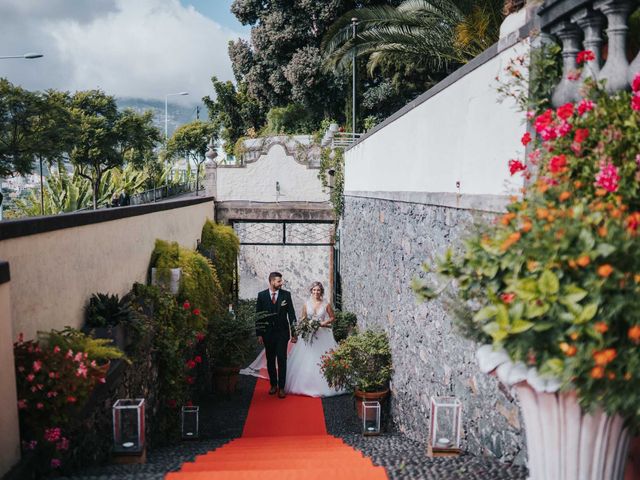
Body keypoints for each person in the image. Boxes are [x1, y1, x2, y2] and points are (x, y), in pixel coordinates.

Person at [285, 281, 346, 397]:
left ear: (321, 291)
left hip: (323, 334)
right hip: (309, 334)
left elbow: (332, 317)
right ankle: (306, 384)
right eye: (314, 290)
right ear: (311, 291)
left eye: (318, 290)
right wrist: (304, 325)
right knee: (307, 358)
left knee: (322, 358)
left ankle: (325, 384)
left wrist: (323, 322)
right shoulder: (306, 304)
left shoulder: (326, 304)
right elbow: (303, 318)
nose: (316, 292)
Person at [255, 272, 297, 399]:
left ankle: (282, 387)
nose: (281, 283)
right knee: (270, 359)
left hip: (282, 333)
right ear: (272, 281)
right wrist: (259, 334)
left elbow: (292, 315)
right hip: (268, 334)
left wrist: (294, 333)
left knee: (282, 359)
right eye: (279, 281)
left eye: (281, 281)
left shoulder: (286, 295)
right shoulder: (261, 295)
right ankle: (273, 384)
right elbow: (258, 316)